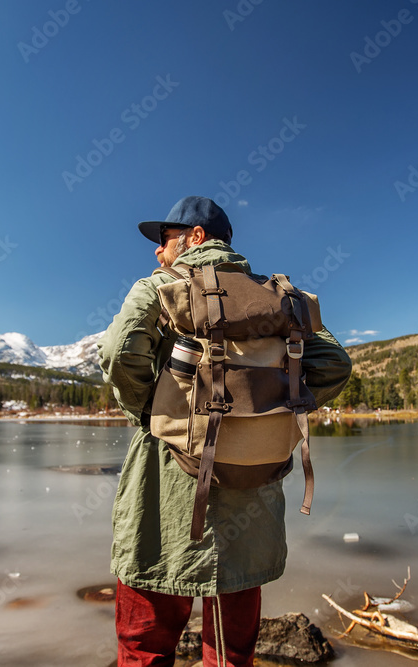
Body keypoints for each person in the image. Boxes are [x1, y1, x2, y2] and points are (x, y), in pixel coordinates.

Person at [97, 196, 352, 666]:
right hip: (252, 497)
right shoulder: (280, 294)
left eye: (165, 239)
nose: (157, 252)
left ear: (195, 238)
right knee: (232, 653)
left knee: (144, 645)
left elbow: (118, 354)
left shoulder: (159, 286)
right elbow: (334, 365)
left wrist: (151, 415)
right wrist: (272, 406)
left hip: (166, 493)